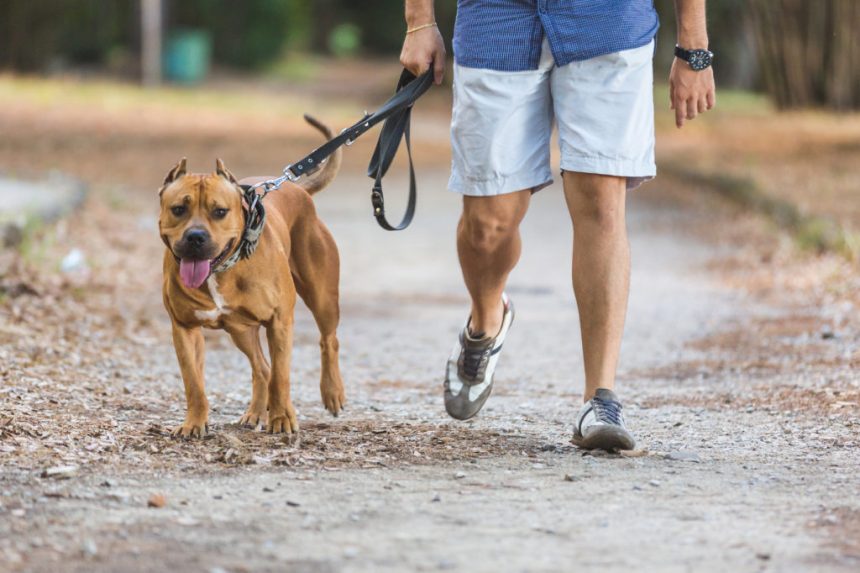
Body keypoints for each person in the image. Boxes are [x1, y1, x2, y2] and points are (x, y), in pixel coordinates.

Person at [400, 0, 715, 451]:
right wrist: (419, 19)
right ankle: (487, 317)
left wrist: (694, 48)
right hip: (496, 17)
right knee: (488, 224)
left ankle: (600, 397)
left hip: (610, 21)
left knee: (602, 202)